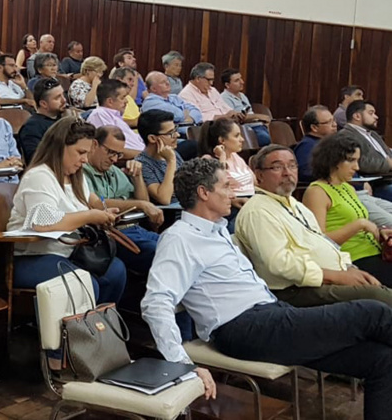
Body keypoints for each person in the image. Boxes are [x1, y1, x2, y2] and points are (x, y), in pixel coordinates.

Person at [141, 157, 392, 420]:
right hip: (244, 328)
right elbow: (155, 304)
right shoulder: (179, 239)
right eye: (226, 186)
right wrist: (183, 366)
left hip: (270, 315)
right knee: (372, 313)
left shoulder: (217, 230)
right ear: (203, 193)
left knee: (382, 360)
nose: (233, 192)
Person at [236, 145, 392, 307]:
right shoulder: (257, 211)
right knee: (377, 296)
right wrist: (337, 276)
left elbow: (325, 242)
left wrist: (349, 268)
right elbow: (280, 264)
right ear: (259, 175)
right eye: (277, 167)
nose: (287, 172)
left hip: (330, 276)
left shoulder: (294, 204)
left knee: (376, 288)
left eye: (292, 165)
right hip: (297, 290)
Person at [8, 117, 127, 305]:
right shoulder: (39, 176)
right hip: (31, 257)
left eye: (87, 153)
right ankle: (78, 332)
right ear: (60, 146)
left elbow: (92, 200)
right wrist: (90, 216)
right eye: (80, 152)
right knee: (85, 285)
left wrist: (103, 211)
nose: (85, 160)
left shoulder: (75, 177)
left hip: (69, 252)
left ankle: (100, 326)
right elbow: (42, 221)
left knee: (116, 271)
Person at [303, 134, 392, 286]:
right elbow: (319, 241)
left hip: (374, 251)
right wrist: (360, 224)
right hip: (352, 258)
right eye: (351, 160)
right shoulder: (316, 192)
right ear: (333, 160)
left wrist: (379, 232)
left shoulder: (347, 187)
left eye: (357, 161)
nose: (357, 167)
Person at [83, 125, 162, 273]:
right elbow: (98, 204)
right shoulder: (81, 172)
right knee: (160, 252)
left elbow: (145, 202)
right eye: (110, 152)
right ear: (94, 145)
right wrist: (140, 204)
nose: (114, 159)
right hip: (108, 235)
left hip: (134, 228)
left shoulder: (114, 171)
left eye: (118, 154)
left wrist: (137, 177)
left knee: (174, 245)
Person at [198, 118, 254, 229]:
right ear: (222, 140)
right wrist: (222, 157)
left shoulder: (236, 157)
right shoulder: (207, 160)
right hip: (231, 208)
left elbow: (254, 182)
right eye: (237, 136)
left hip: (250, 202)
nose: (242, 139)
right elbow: (217, 184)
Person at [140, 71, 201, 159]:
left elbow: (197, 112)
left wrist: (190, 117)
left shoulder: (174, 97)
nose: (167, 83)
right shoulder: (150, 102)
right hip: (171, 139)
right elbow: (178, 115)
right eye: (162, 82)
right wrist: (185, 113)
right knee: (195, 146)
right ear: (153, 88)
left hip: (190, 132)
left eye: (167, 80)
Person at [85, 80, 144, 159]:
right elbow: (113, 150)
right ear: (110, 101)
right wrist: (146, 156)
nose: (126, 101)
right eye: (123, 98)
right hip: (132, 161)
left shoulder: (117, 117)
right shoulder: (100, 114)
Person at [135, 109, 183, 205]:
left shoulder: (173, 154)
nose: (177, 135)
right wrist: (171, 162)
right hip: (172, 215)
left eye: (175, 130)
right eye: (170, 133)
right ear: (152, 138)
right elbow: (164, 198)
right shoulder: (143, 164)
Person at [19, 77, 67, 163]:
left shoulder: (65, 118)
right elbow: (36, 159)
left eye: (63, 95)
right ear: (43, 104)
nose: (64, 100)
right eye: (57, 98)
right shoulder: (32, 127)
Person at [219, 68, 271, 146]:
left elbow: (249, 112)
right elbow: (236, 119)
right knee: (264, 139)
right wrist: (259, 117)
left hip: (256, 125)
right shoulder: (224, 98)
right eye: (237, 80)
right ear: (227, 85)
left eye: (241, 79)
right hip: (244, 129)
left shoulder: (242, 95)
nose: (242, 82)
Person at [296, 105, 337, 183]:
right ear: (314, 127)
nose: (334, 124)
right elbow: (306, 173)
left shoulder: (328, 143)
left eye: (334, 120)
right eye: (329, 122)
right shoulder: (306, 146)